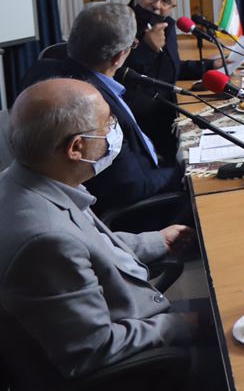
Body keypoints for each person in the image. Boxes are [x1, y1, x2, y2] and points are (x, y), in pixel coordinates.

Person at [0, 78, 197, 384]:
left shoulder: (31, 180)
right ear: (76, 147)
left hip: (131, 312)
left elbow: (89, 246)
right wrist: (183, 324)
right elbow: (94, 349)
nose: (113, 131)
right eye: (108, 124)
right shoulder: (45, 240)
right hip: (138, 359)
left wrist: (157, 241)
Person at [21, 3, 185, 215]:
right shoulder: (94, 107)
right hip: (139, 210)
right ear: (118, 57)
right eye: (134, 45)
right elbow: (132, 186)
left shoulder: (44, 70)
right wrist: (186, 171)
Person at [123, 0, 221, 163]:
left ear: (172, 6)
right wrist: (146, 48)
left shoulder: (166, 24)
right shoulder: (118, 23)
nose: (157, 5)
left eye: (166, 1)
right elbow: (117, 75)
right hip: (138, 124)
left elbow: (168, 68)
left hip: (168, 111)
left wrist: (208, 65)